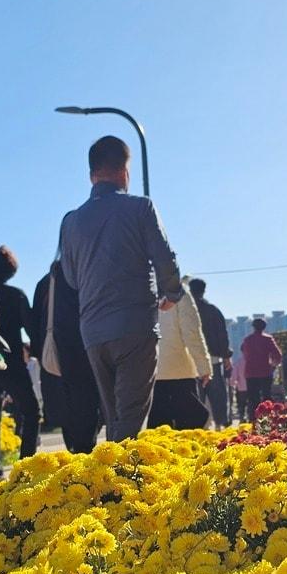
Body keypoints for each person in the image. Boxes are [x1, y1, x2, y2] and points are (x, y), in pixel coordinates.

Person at [59, 136, 183, 442]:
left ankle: (111, 480)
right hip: (134, 324)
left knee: (114, 414)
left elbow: (71, 278)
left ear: (91, 174)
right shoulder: (141, 207)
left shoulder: (71, 221)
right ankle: (121, 483)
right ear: (124, 171)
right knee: (130, 418)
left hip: (93, 331)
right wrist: (172, 293)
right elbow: (165, 258)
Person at [33, 260, 101, 452]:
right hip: (87, 352)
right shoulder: (88, 273)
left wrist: (39, 355)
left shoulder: (46, 282)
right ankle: (84, 460)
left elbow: (36, 322)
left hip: (55, 358)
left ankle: (75, 458)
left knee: (68, 415)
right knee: (89, 410)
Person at [0, 246, 40, 473]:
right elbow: (32, 329)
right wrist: (36, 352)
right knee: (31, 412)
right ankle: (25, 466)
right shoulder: (16, 295)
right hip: (12, 361)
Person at [147, 290, 211, 429]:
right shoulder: (179, 294)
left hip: (149, 373)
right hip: (179, 372)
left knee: (157, 434)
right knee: (188, 431)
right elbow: (192, 334)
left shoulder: (140, 291)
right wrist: (204, 366)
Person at [189, 279, 232, 428]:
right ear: (204, 290)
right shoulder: (213, 310)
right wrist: (226, 356)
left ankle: (198, 427)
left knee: (195, 397)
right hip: (213, 359)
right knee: (217, 396)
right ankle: (219, 426)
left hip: (190, 361)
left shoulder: (186, 310)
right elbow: (222, 334)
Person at [239, 318, 282, 415]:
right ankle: (268, 417)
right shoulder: (268, 339)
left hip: (250, 373)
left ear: (253, 327)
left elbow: (242, 350)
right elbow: (278, 355)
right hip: (265, 372)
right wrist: (273, 365)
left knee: (253, 398)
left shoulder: (247, 340)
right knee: (266, 397)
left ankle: (253, 418)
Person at [230, 353, 248, 423]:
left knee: (241, 405)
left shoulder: (239, 362)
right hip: (251, 387)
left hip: (241, 388)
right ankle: (250, 417)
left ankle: (242, 418)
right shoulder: (252, 360)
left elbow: (234, 375)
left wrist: (232, 383)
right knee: (250, 404)